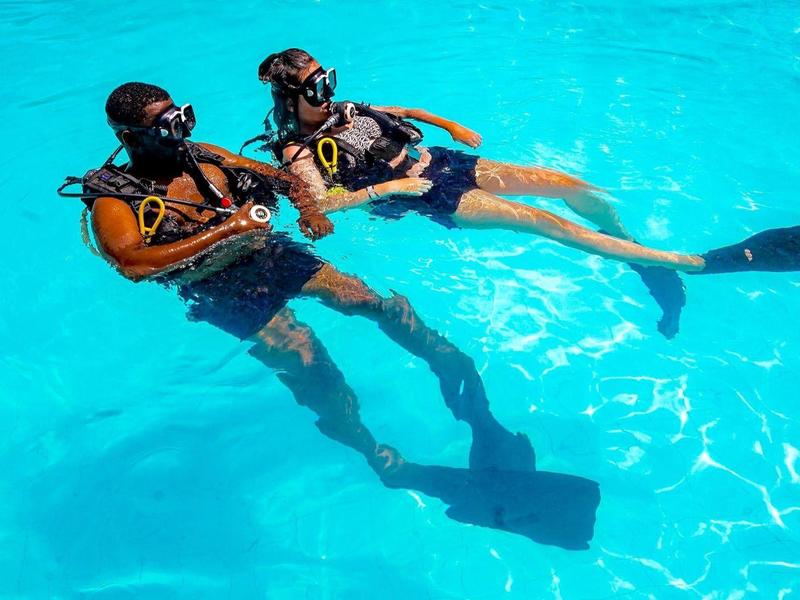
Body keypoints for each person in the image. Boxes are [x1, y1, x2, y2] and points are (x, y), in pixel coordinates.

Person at [60, 82, 600, 549]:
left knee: (375, 303)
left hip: (268, 253)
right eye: (167, 124)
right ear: (130, 137)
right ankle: (380, 458)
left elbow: (280, 175)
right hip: (219, 288)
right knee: (309, 361)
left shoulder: (205, 155)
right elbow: (131, 262)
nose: (182, 128)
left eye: (184, 115)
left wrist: (311, 207)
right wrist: (227, 229)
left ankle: (457, 380)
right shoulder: (113, 202)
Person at [253, 49, 800, 335]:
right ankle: (685, 263)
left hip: (443, 161)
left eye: (330, 78)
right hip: (424, 193)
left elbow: (404, 112)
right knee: (545, 222)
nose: (331, 90)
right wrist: (393, 187)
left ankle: (634, 251)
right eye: (318, 86)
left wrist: (450, 127)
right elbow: (322, 203)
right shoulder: (295, 153)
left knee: (569, 186)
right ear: (291, 96)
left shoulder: (348, 109)